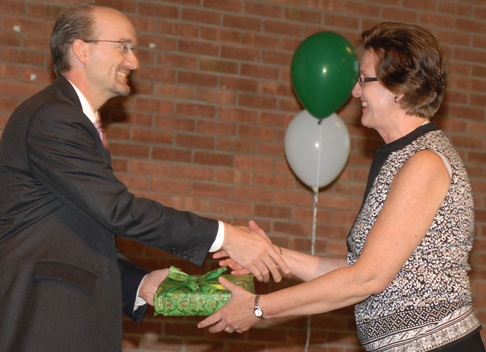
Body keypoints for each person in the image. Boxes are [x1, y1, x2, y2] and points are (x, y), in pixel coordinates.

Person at [0, 3, 289, 351]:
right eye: (122, 46)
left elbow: (75, 231)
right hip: (47, 319)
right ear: (81, 50)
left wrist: (140, 283)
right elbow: (118, 211)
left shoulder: (70, 119)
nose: (134, 62)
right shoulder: (54, 117)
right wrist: (224, 236)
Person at [198, 22, 486, 352]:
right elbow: (358, 270)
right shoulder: (403, 157)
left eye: (364, 80)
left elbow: (366, 279)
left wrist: (258, 307)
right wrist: (273, 256)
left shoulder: (424, 161)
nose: (355, 92)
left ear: (400, 88)